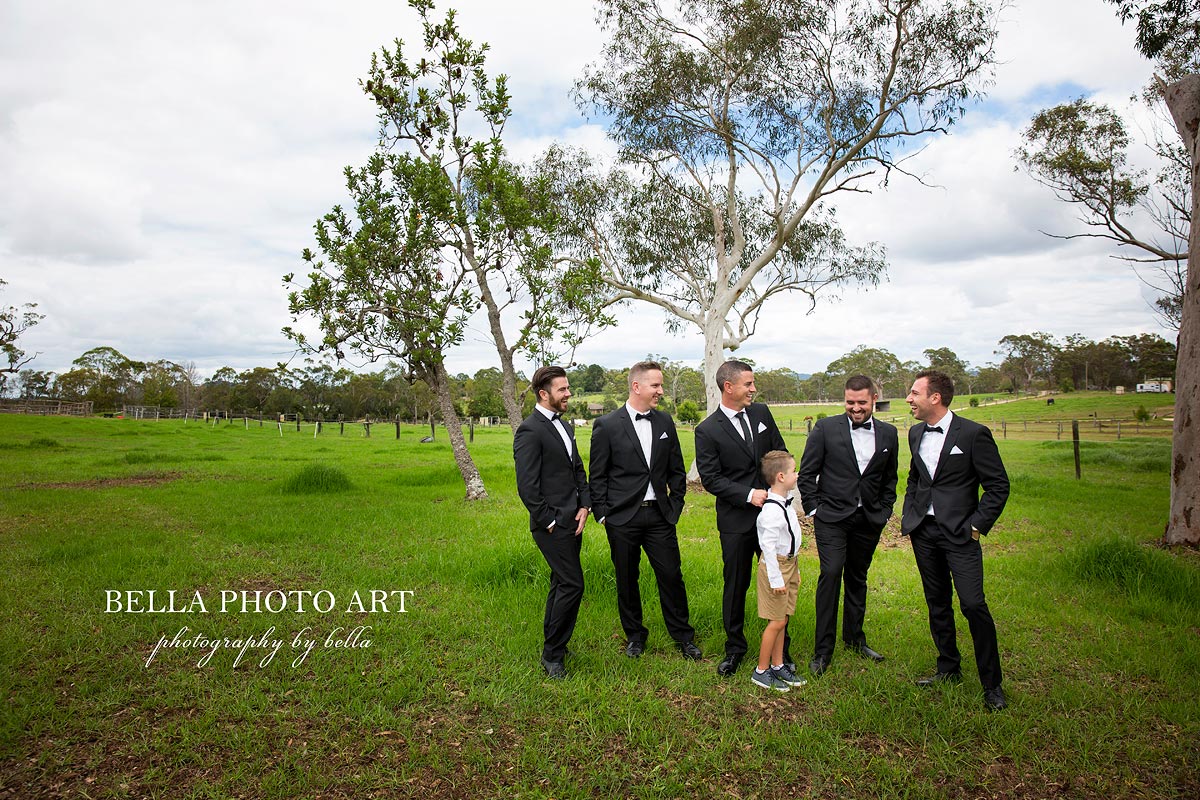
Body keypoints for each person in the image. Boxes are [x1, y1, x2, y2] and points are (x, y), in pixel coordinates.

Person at [902, 369, 1011, 711]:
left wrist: (977, 525)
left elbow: (998, 486)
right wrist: (911, 516)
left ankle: (992, 684)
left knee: (973, 604)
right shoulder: (915, 432)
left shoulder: (974, 434)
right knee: (937, 603)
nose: (909, 398)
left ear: (935, 397)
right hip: (925, 532)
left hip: (961, 534)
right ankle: (948, 667)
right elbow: (916, 478)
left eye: (914, 393)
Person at [589, 361, 701, 661]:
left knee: (671, 576)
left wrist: (675, 505)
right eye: (656, 385)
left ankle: (683, 637)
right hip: (622, 518)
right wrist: (602, 514)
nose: (660, 391)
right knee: (627, 578)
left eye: (661, 385)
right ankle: (635, 637)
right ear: (636, 387)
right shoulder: (607, 425)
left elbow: (677, 469)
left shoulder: (665, 422)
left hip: (660, 516)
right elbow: (597, 474)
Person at [797, 375, 898, 676]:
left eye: (861, 403)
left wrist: (885, 509)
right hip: (831, 518)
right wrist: (815, 509)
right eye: (850, 402)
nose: (855, 408)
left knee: (858, 577)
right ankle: (822, 650)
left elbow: (890, 478)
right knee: (830, 573)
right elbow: (806, 473)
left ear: (873, 400)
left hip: (869, 519)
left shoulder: (890, 434)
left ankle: (855, 639)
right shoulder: (826, 429)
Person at [694, 359, 789, 677]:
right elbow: (710, 478)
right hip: (736, 520)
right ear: (728, 387)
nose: (753, 388)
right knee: (736, 584)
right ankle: (735, 649)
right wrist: (749, 494)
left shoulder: (762, 414)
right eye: (748, 383)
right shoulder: (706, 430)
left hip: (772, 518)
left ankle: (780, 650)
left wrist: (774, 492)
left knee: (777, 580)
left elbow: (780, 452)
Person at [514, 365, 591, 679]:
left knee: (561, 582)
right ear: (543, 394)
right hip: (553, 524)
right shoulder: (530, 430)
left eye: (568, 387)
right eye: (563, 389)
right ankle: (552, 656)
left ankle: (555, 642)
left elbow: (577, 469)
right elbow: (527, 486)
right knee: (574, 584)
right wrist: (548, 521)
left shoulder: (566, 425)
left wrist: (585, 505)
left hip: (574, 518)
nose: (568, 393)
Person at [750, 450, 807, 692]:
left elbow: (791, 539)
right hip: (776, 569)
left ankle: (778, 664)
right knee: (775, 622)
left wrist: (795, 569)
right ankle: (761, 671)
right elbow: (768, 548)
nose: (797, 474)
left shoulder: (786, 503)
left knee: (783, 619)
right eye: (794, 471)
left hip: (789, 565)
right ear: (781, 476)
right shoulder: (771, 511)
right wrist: (776, 579)